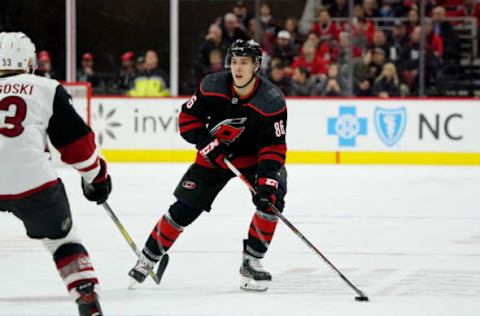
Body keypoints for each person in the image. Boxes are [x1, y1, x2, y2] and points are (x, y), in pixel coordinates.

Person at [128, 39, 287, 292]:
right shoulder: (212, 85)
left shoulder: (271, 100)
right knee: (185, 208)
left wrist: (267, 183)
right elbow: (188, 118)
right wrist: (206, 142)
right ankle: (147, 258)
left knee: (273, 200)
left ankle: (252, 261)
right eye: (234, 61)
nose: (238, 67)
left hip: (253, 159)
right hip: (213, 156)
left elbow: (274, 147)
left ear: (256, 66)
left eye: (244, 62)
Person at [0, 32, 111, 315]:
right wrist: (96, 179)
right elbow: (78, 147)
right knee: (62, 240)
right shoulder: (45, 87)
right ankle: (85, 294)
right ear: (28, 61)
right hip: (32, 182)